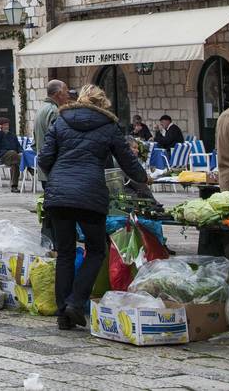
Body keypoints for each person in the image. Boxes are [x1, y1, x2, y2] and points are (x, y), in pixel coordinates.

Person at [39, 84, 148, 331]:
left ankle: (63, 314)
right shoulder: (108, 127)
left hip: (59, 195)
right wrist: (143, 177)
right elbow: (127, 160)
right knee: (96, 250)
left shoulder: (61, 121)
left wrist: (59, 177)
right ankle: (76, 303)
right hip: (90, 195)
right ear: (102, 105)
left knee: (65, 253)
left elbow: (44, 158)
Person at [32, 80, 69, 186]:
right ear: (58, 94)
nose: (68, 95)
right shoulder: (54, 111)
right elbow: (56, 141)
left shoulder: (41, 109)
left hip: (44, 169)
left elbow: (34, 144)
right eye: (66, 91)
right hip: (54, 169)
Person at [0, 117, 24, 192]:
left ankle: (14, 186)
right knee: (13, 153)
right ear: (0, 126)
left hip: (13, 158)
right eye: (5, 125)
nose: (7, 127)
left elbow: (18, 146)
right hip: (1, 157)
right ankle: (29, 167)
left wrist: (21, 151)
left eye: (7, 125)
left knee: (14, 163)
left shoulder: (12, 135)